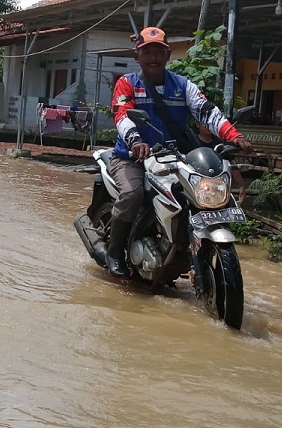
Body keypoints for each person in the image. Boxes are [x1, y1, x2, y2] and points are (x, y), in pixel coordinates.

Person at [106, 26, 251, 278]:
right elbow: (121, 116)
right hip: (132, 157)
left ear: (168, 55)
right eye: (147, 51)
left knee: (198, 194)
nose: (153, 57)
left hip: (175, 158)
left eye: (159, 51)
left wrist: (233, 135)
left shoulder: (183, 86)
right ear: (136, 56)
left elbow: (207, 112)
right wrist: (135, 141)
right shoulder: (127, 84)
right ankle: (115, 253)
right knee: (132, 194)